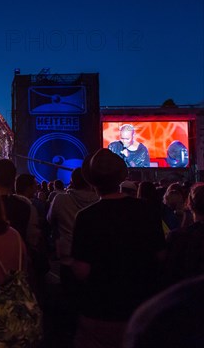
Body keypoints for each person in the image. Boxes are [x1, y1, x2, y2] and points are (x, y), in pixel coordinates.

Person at [71, 149, 164, 348]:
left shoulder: (86, 217)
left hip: (100, 310)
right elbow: (161, 256)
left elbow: (81, 270)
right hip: (142, 308)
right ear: (122, 176)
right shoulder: (146, 210)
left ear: (92, 181)